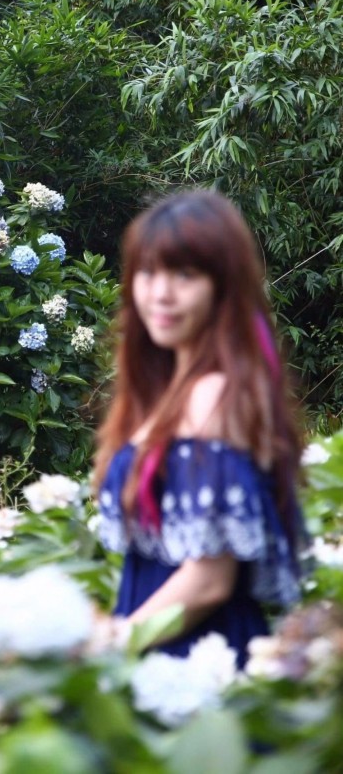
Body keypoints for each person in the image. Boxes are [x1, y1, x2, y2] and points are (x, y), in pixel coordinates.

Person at [94, 190, 305, 667]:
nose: (160, 293)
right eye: (148, 272)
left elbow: (210, 581)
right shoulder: (170, 392)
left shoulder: (212, 395)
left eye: (184, 274)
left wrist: (115, 643)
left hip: (193, 661)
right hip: (160, 643)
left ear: (222, 288)